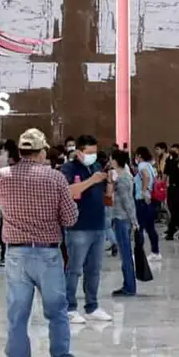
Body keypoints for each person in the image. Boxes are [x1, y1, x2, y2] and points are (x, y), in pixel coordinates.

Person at [0, 128, 79, 357]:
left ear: (20, 152)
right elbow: (70, 218)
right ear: (41, 152)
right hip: (48, 254)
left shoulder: (2, 176)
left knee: (18, 315)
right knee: (57, 313)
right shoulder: (55, 178)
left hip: (16, 254)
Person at [60, 134, 111, 323]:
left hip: (98, 224)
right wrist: (92, 180)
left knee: (94, 269)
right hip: (78, 226)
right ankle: (69, 307)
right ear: (79, 152)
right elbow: (68, 191)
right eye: (89, 152)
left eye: (95, 152)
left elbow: (106, 195)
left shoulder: (97, 167)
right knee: (74, 268)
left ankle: (92, 305)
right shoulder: (68, 168)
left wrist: (110, 181)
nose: (93, 155)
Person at [109, 149, 138, 297]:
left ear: (115, 161)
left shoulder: (123, 179)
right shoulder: (122, 176)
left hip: (122, 218)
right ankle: (128, 284)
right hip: (121, 217)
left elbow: (128, 202)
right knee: (124, 253)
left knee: (125, 254)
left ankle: (129, 286)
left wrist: (134, 220)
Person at [133, 146, 161, 260]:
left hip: (142, 200)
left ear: (139, 156)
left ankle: (139, 253)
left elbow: (146, 176)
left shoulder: (142, 165)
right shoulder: (150, 165)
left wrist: (144, 191)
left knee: (139, 227)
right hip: (151, 200)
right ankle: (155, 251)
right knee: (150, 227)